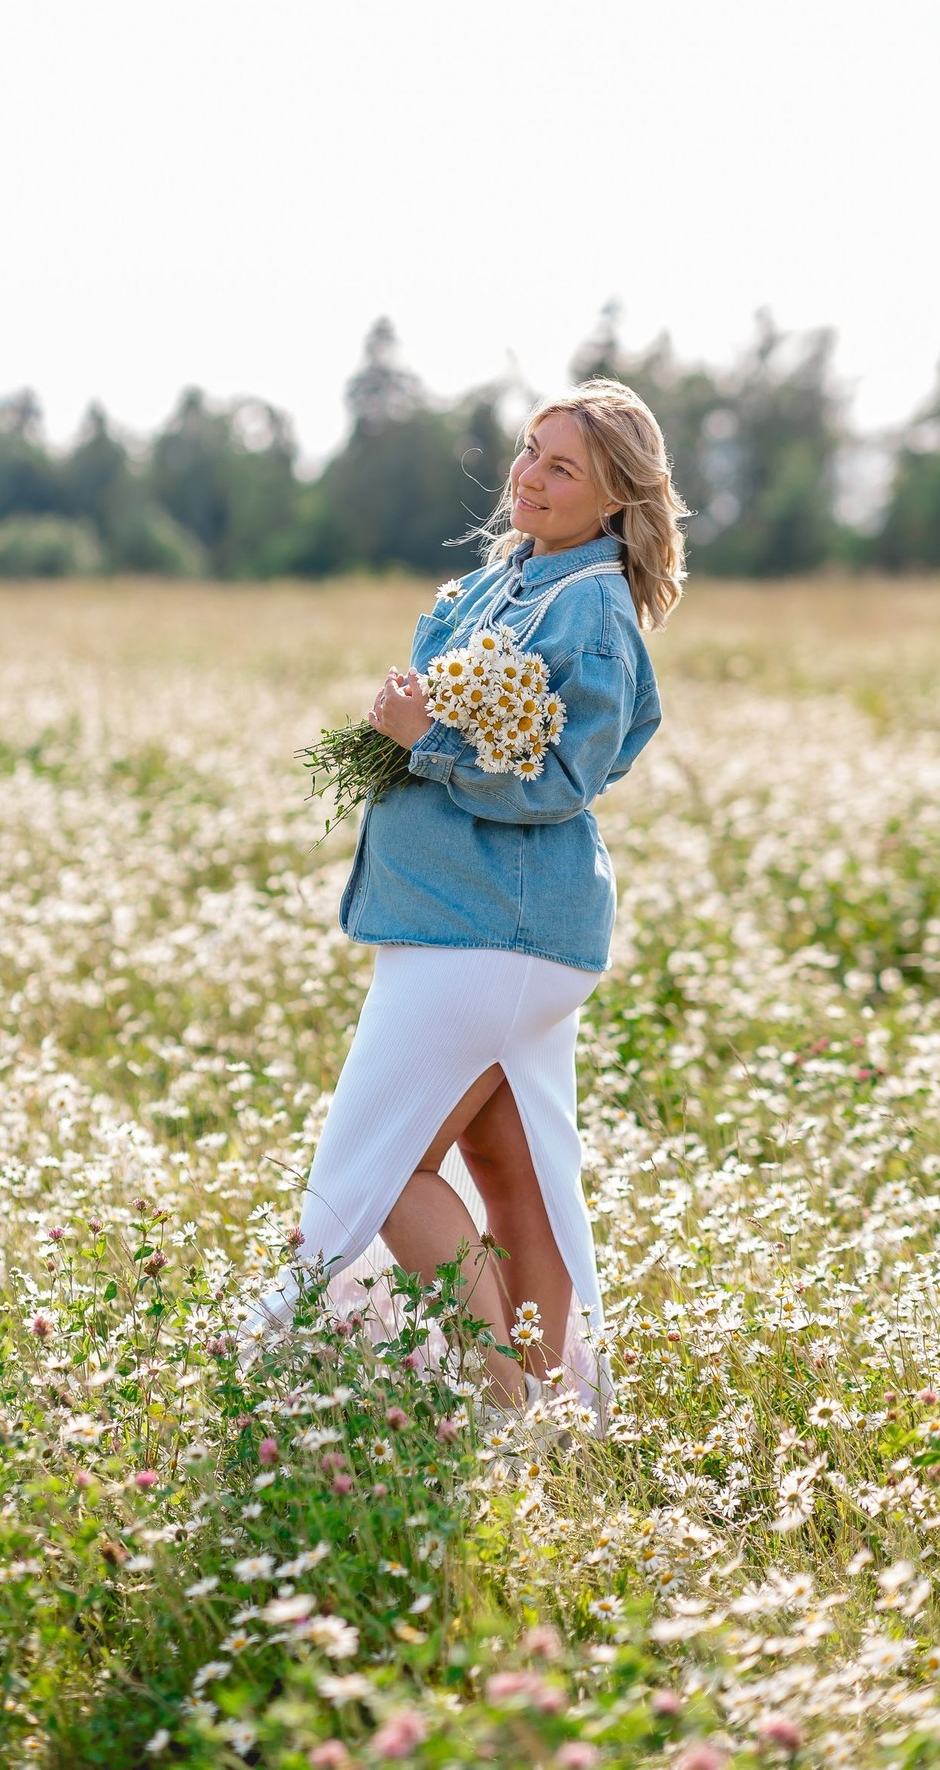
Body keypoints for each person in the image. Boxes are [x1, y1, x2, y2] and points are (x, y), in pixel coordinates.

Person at [246, 378, 688, 1435]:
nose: (529, 476)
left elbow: (561, 776)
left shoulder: (586, 606)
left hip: (487, 932)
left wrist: (425, 743)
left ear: (616, 498)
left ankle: (497, 1410)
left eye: (562, 466)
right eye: (530, 451)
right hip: (470, 924)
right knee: (508, 1170)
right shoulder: (510, 579)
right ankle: (549, 1411)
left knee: (386, 1170)